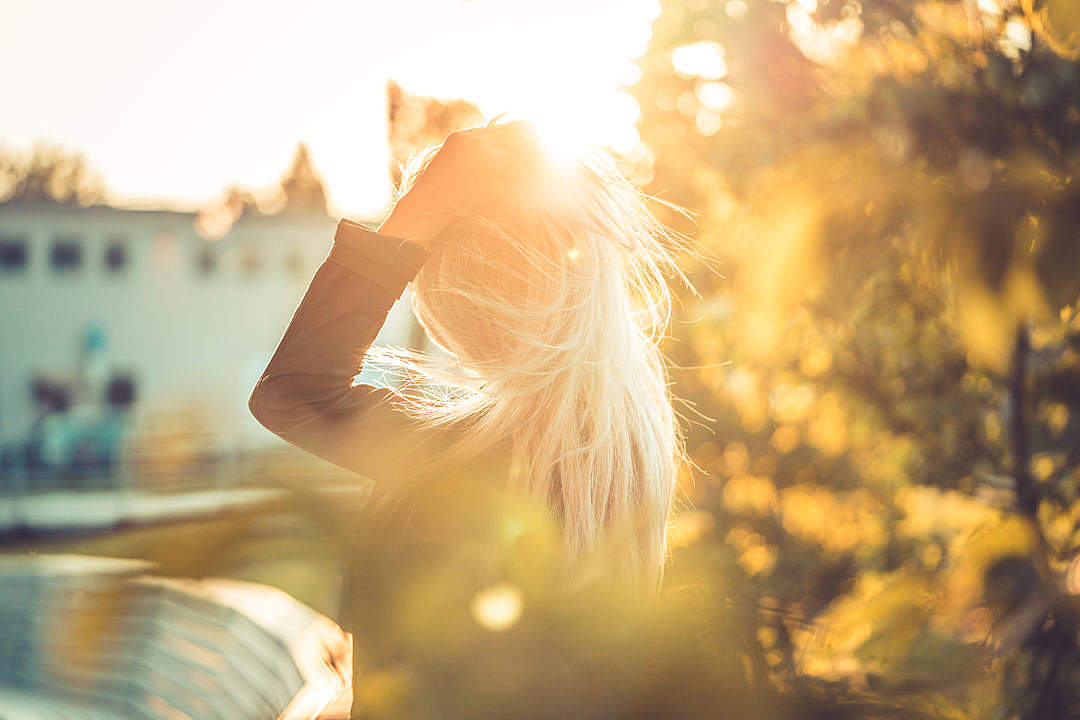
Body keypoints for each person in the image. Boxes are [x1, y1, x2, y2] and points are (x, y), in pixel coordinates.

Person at [249, 121, 688, 592]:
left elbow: (291, 392)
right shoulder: (626, 442)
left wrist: (417, 211)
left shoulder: (466, 457)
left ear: (458, 295)